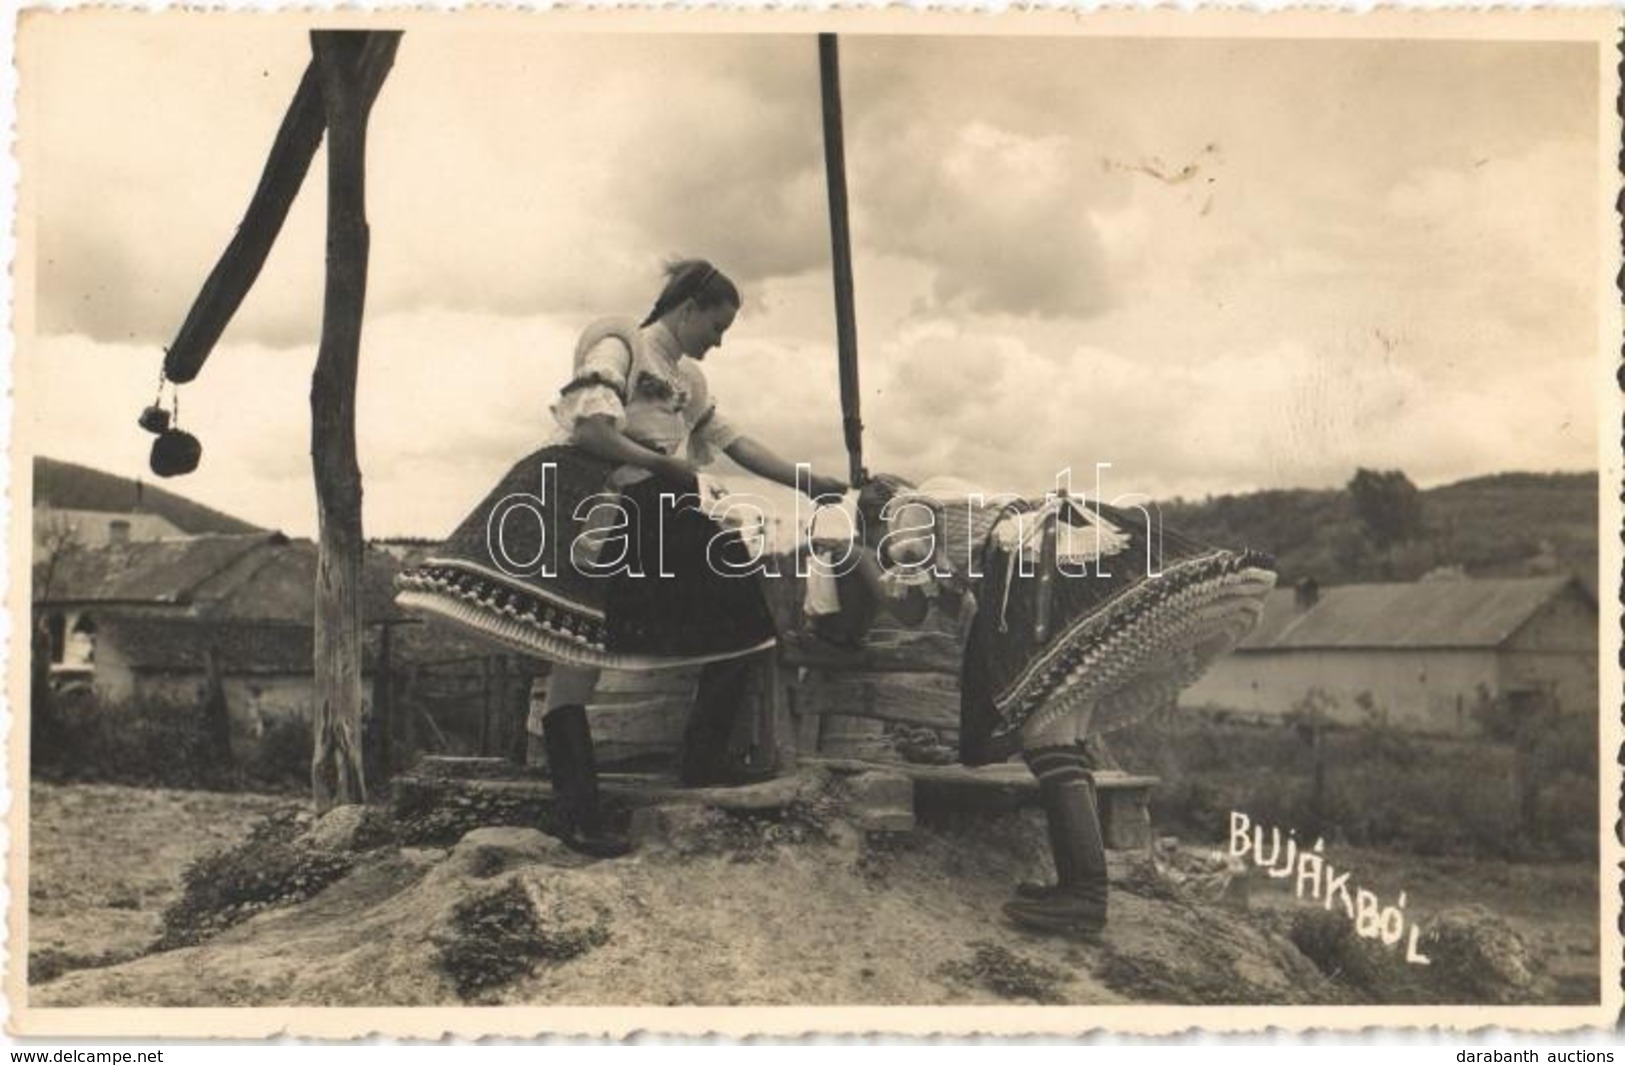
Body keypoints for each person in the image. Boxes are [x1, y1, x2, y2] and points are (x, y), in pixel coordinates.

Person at [397, 259, 847, 858]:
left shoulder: (690, 384)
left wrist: (810, 481)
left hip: (657, 509)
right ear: (687, 309)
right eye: (716, 325)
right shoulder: (619, 346)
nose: (719, 340)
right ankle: (578, 815)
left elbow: (735, 444)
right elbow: (591, 432)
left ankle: (701, 764)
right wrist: (666, 464)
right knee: (574, 652)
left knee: (746, 625)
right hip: (590, 504)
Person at [854, 475, 1276, 938]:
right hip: (1050, 564)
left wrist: (867, 562)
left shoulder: (905, 507)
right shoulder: (957, 503)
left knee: (1047, 735)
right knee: (1058, 740)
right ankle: (1079, 888)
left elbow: (910, 585)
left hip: (1040, 576)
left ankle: (1086, 897)